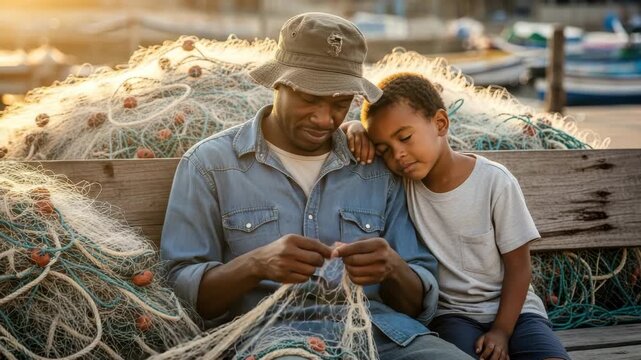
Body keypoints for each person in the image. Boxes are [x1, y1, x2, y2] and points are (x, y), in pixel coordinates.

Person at [160, 12, 471, 359]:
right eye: (310, 98)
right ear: (278, 82)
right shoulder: (210, 165)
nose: (325, 119)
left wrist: (394, 269)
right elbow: (179, 290)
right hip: (270, 340)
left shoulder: (377, 167)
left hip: (380, 334)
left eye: (340, 104)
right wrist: (256, 265)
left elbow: (419, 300)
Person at [342, 72, 570, 360]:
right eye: (385, 149)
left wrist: (501, 331)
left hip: (516, 312)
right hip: (452, 315)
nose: (397, 155)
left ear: (440, 123)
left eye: (405, 138)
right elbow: (366, 138)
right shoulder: (403, 184)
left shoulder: (495, 182)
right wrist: (353, 128)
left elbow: (519, 268)